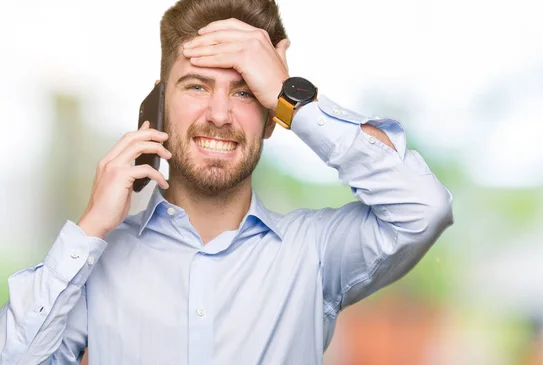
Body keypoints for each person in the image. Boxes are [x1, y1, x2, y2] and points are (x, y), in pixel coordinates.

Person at [0, 0, 453, 363]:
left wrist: (292, 95)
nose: (218, 115)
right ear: (159, 104)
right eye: (196, 86)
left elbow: (423, 208)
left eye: (244, 92)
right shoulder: (93, 262)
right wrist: (90, 228)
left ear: (273, 118)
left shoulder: (314, 253)